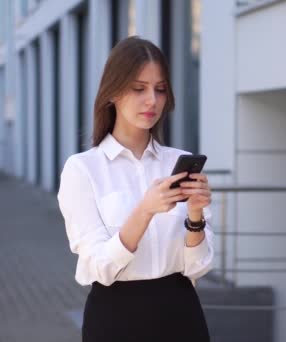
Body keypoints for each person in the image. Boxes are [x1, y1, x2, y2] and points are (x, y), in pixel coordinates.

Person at [57, 36, 214, 342]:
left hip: (182, 315)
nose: (152, 100)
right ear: (112, 92)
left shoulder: (176, 162)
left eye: (160, 89)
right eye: (139, 88)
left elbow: (197, 266)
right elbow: (98, 266)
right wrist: (144, 211)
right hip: (116, 319)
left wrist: (195, 215)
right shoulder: (83, 169)